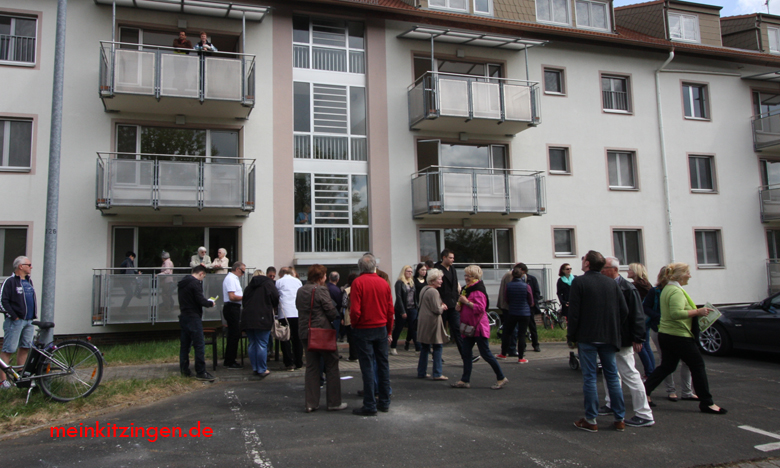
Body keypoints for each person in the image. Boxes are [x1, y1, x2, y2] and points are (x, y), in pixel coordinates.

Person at [644, 263, 727, 415]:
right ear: (679, 275)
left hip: (667, 334)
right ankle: (707, 402)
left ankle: (644, 391)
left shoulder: (668, 289)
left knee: (667, 366)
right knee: (697, 366)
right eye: (687, 273)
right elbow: (676, 314)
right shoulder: (675, 291)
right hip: (679, 335)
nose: (690, 275)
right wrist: (698, 311)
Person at [568, 250, 628, 432]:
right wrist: (613, 327)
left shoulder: (579, 282)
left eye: (584, 259)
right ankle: (620, 418)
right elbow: (624, 311)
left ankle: (591, 419)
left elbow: (574, 313)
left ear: (587, 264)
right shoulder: (611, 283)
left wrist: (572, 336)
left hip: (588, 337)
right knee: (612, 377)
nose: (582, 261)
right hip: (609, 336)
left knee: (590, 378)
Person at [598, 257, 654, 428]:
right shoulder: (608, 285)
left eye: (604, 268)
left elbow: (637, 315)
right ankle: (611, 403)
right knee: (609, 373)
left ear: (614, 269)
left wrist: (638, 337)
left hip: (622, 339)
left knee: (629, 373)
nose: (601, 271)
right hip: (609, 337)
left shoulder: (628, 288)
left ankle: (644, 413)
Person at [296, 265, 347, 413]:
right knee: (331, 363)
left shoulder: (301, 290)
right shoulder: (321, 290)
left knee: (312, 366)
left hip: (305, 331)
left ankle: (311, 403)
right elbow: (331, 311)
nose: (325, 278)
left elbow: (298, 307)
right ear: (320, 277)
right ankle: (334, 402)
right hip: (321, 332)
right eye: (324, 275)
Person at [350, 253, 394, 416]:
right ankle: (384, 401)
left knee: (367, 367)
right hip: (381, 327)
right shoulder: (383, 283)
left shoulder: (358, 282)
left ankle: (369, 404)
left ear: (361, 267)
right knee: (383, 365)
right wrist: (389, 330)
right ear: (374, 266)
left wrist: (355, 325)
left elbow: (355, 310)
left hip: (364, 328)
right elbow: (390, 310)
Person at [451, 265, 508, 390]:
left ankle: (501, 377)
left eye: (468, 276)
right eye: (465, 275)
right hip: (468, 327)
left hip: (478, 327)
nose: (466, 278)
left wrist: (466, 302)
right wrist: (460, 306)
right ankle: (465, 380)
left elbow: (480, 308)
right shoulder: (467, 289)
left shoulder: (478, 290)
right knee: (466, 353)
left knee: (486, 353)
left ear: (475, 277)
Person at [643, 266, 694, 402]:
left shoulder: (678, 290)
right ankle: (671, 390)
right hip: (659, 328)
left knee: (681, 362)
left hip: (676, 330)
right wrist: (659, 317)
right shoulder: (656, 291)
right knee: (667, 362)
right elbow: (646, 307)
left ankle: (687, 391)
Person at [0, 256, 36, 388]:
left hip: (28, 321)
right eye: (29, 264)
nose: (31, 267)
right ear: (20, 266)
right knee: (9, 349)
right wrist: (13, 316)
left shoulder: (28, 281)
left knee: (25, 347)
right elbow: (3, 301)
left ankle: (20, 375)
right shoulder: (10, 282)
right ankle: (3, 380)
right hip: (15, 322)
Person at [177, 265, 216, 381]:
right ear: (201, 274)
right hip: (193, 317)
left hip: (183, 316)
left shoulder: (182, 283)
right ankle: (201, 372)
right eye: (203, 277)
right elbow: (200, 300)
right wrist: (210, 303)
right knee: (199, 344)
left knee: (185, 346)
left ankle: (184, 370)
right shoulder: (195, 284)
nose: (202, 279)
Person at [242, 269, 279, 378]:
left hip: (248, 317)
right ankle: (262, 369)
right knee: (262, 343)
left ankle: (255, 367)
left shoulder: (248, 287)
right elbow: (275, 297)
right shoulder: (268, 284)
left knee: (252, 343)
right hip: (263, 316)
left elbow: (244, 302)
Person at [434, 249, 469, 360]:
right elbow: (435, 288)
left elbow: (455, 286)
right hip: (443, 305)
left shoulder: (453, 269)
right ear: (444, 257)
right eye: (450, 258)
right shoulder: (437, 269)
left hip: (453, 304)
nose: (452, 260)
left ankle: (466, 355)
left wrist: (458, 301)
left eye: (453, 258)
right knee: (440, 331)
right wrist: (440, 302)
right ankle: (436, 355)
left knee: (457, 329)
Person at [416, 268, 449, 380]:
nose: (441, 281)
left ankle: (422, 372)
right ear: (433, 280)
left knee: (425, 347)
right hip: (432, 322)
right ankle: (437, 373)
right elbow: (437, 310)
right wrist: (443, 307)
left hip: (423, 320)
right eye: (439, 279)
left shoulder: (424, 289)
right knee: (438, 346)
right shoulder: (434, 291)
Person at [497, 264, 534, 362]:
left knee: (507, 333)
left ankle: (503, 353)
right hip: (525, 312)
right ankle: (521, 357)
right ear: (522, 275)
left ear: (512, 275)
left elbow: (506, 298)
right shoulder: (526, 286)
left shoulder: (509, 286)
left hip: (513, 312)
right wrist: (528, 305)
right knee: (522, 335)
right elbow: (530, 300)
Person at [628, 262, 655, 378]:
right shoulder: (646, 284)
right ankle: (651, 371)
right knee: (646, 345)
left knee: (640, 345)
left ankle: (649, 372)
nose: (627, 271)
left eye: (630, 270)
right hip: (647, 317)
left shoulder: (635, 285)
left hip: (639, 317)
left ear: (635, 272)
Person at [277, 267, 304, 370]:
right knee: (297, 339)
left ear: (281, 274)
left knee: (285, 338)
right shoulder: (298, 281)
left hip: (284, 313)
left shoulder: (279, 282)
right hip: (297, 312)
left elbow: (276, 295)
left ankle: (289, 363)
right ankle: (299, 362)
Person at [391, 265, 419, 354]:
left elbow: (415, 297)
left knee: (414, 328)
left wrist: (417, 307)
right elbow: (398, 297)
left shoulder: (412, 282)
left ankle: (418, 348)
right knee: (399, 328)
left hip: (412, 308)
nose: (410, 273)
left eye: (411, 271)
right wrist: (403, 311)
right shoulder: (399, 283)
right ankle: (393, 346)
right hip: (402, 309)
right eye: (408, 271)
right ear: (404, 272)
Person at [222, 262, 245, 369]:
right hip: (232, 307)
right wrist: (244, 297)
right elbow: (232, 296)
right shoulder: (231, 278)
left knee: (234, 334)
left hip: (234, 307)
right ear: (237, 269)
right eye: (242, 271)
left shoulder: (234, 278)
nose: (243, 274)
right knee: (234, 334)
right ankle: (230, 360)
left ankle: (230, 359)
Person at [522, 265, 542, 353]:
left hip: (530, 306)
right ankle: (523, 345)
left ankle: (535, 344)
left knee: (532, 326)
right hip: (522, 306)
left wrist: (534, 301)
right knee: (522, 327)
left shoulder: (532, 279)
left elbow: (537, 292)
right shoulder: (516, 279)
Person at [341, 273, 359, 361]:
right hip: (360, 316)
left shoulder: (347, 290)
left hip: (349, 315)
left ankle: (353, 356)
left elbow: (344, 304)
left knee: (351, 338)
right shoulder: (361, 289)